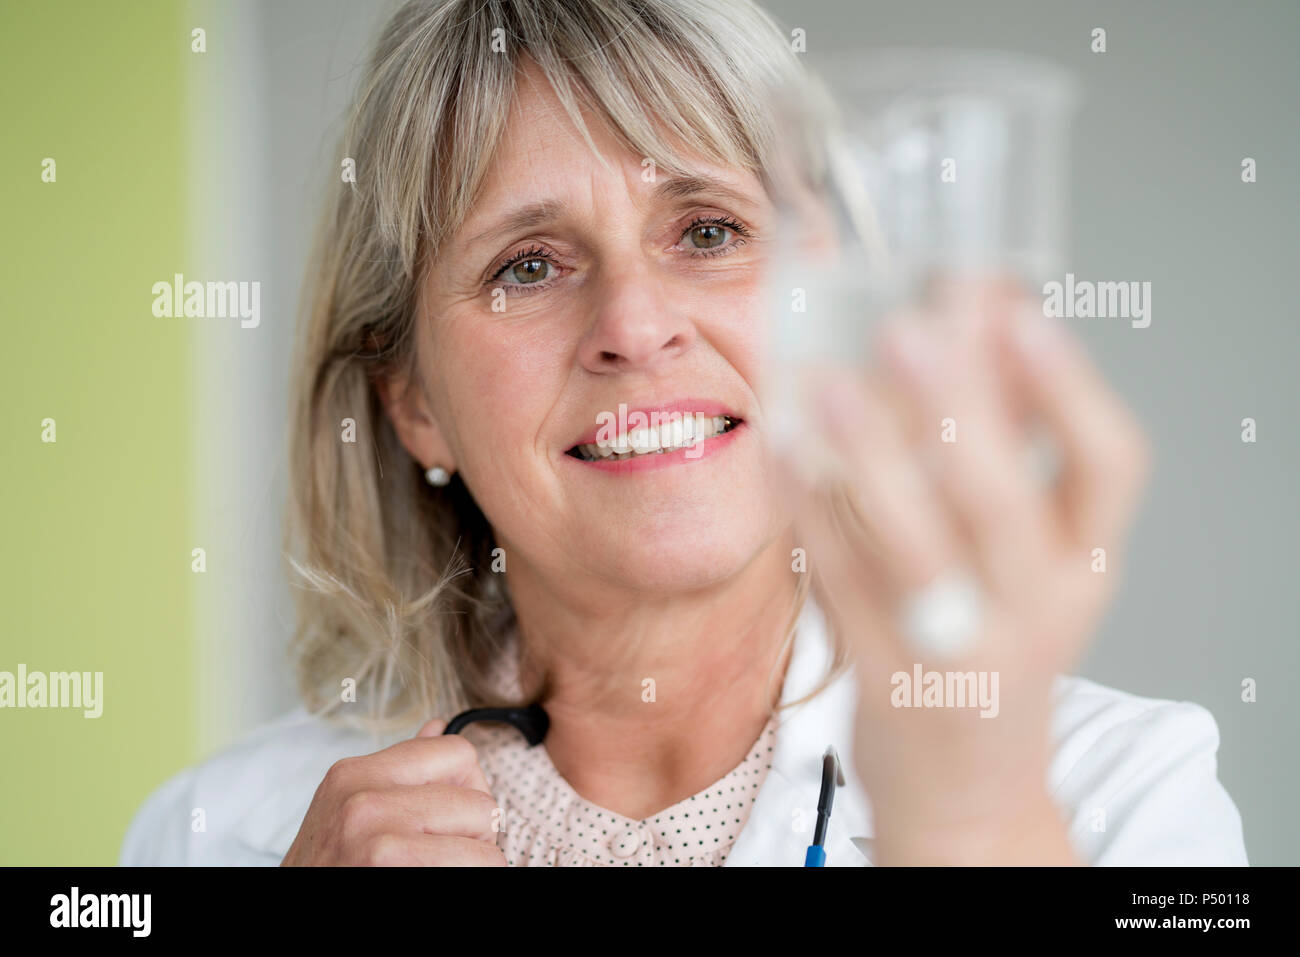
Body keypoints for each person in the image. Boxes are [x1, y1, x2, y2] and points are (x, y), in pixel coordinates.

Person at [120, 0, 1247, 867]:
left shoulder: (1120, 794)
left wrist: (965, 821)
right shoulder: (221, 834)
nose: (634, 325)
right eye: (528, 265)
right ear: (412, 402)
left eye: (707, 231)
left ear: (829, 309)